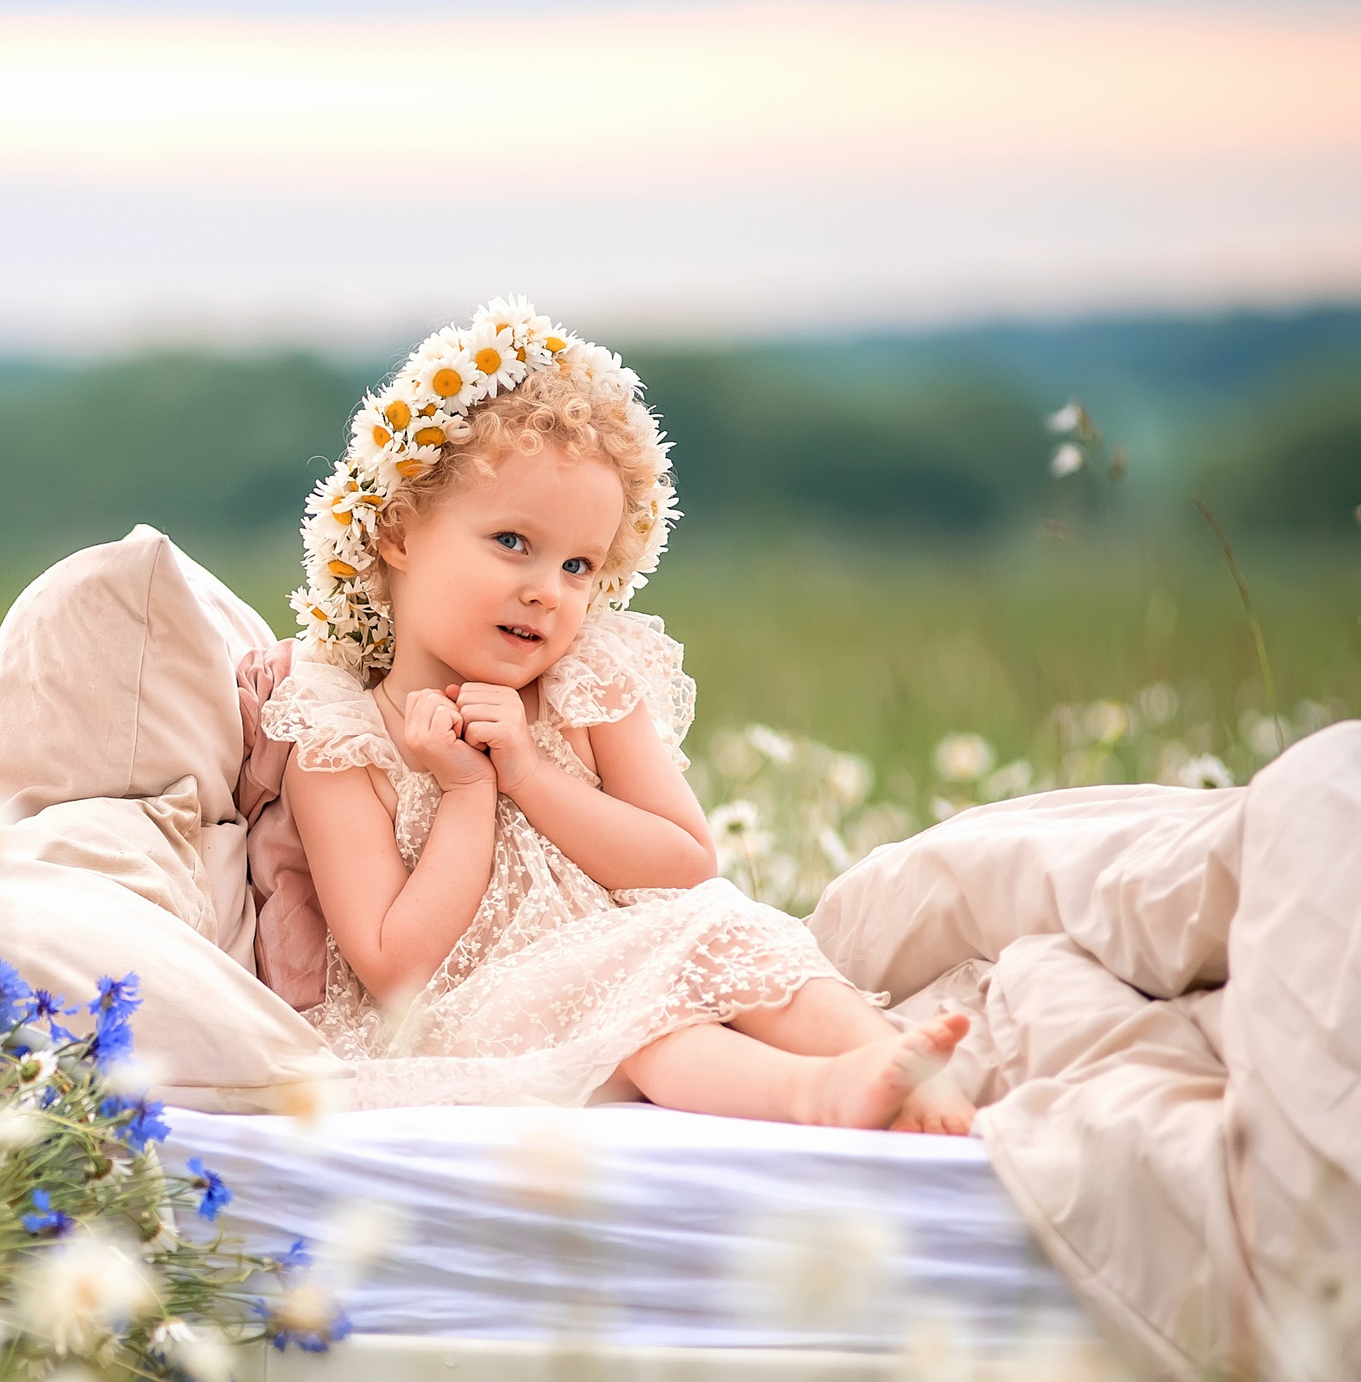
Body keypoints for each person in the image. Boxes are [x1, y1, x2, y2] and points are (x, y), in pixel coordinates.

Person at [265, 298, 975, 1131]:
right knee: (636, 1020)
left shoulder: (584, 683)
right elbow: (393, 970)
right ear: (400, 532)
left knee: (727, 931)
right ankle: (816, 1094)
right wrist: (464, 793)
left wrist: (527, 773)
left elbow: (685, 863)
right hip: (484, 1012)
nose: (546, 590)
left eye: (577, 565)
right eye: (511, 543)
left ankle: (903, 1067)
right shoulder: (344, 741)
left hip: (630, 948)